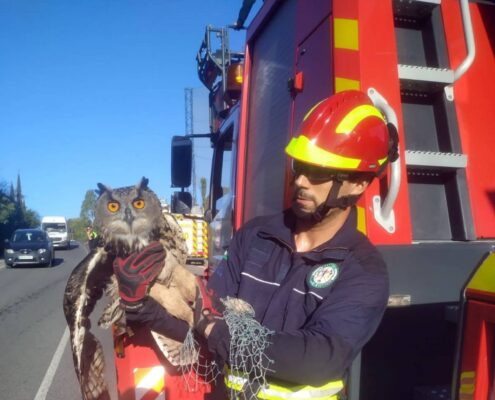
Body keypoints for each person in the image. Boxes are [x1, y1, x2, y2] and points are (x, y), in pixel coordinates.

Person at [113, 90, 398, 399]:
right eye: (298, 166)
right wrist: (144, 308)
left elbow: (318, 359)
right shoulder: (255, 237)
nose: (300, 181)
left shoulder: (363, 269)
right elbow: (203, 322)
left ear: (358, 183)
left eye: (317, 173)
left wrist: (216, 332)